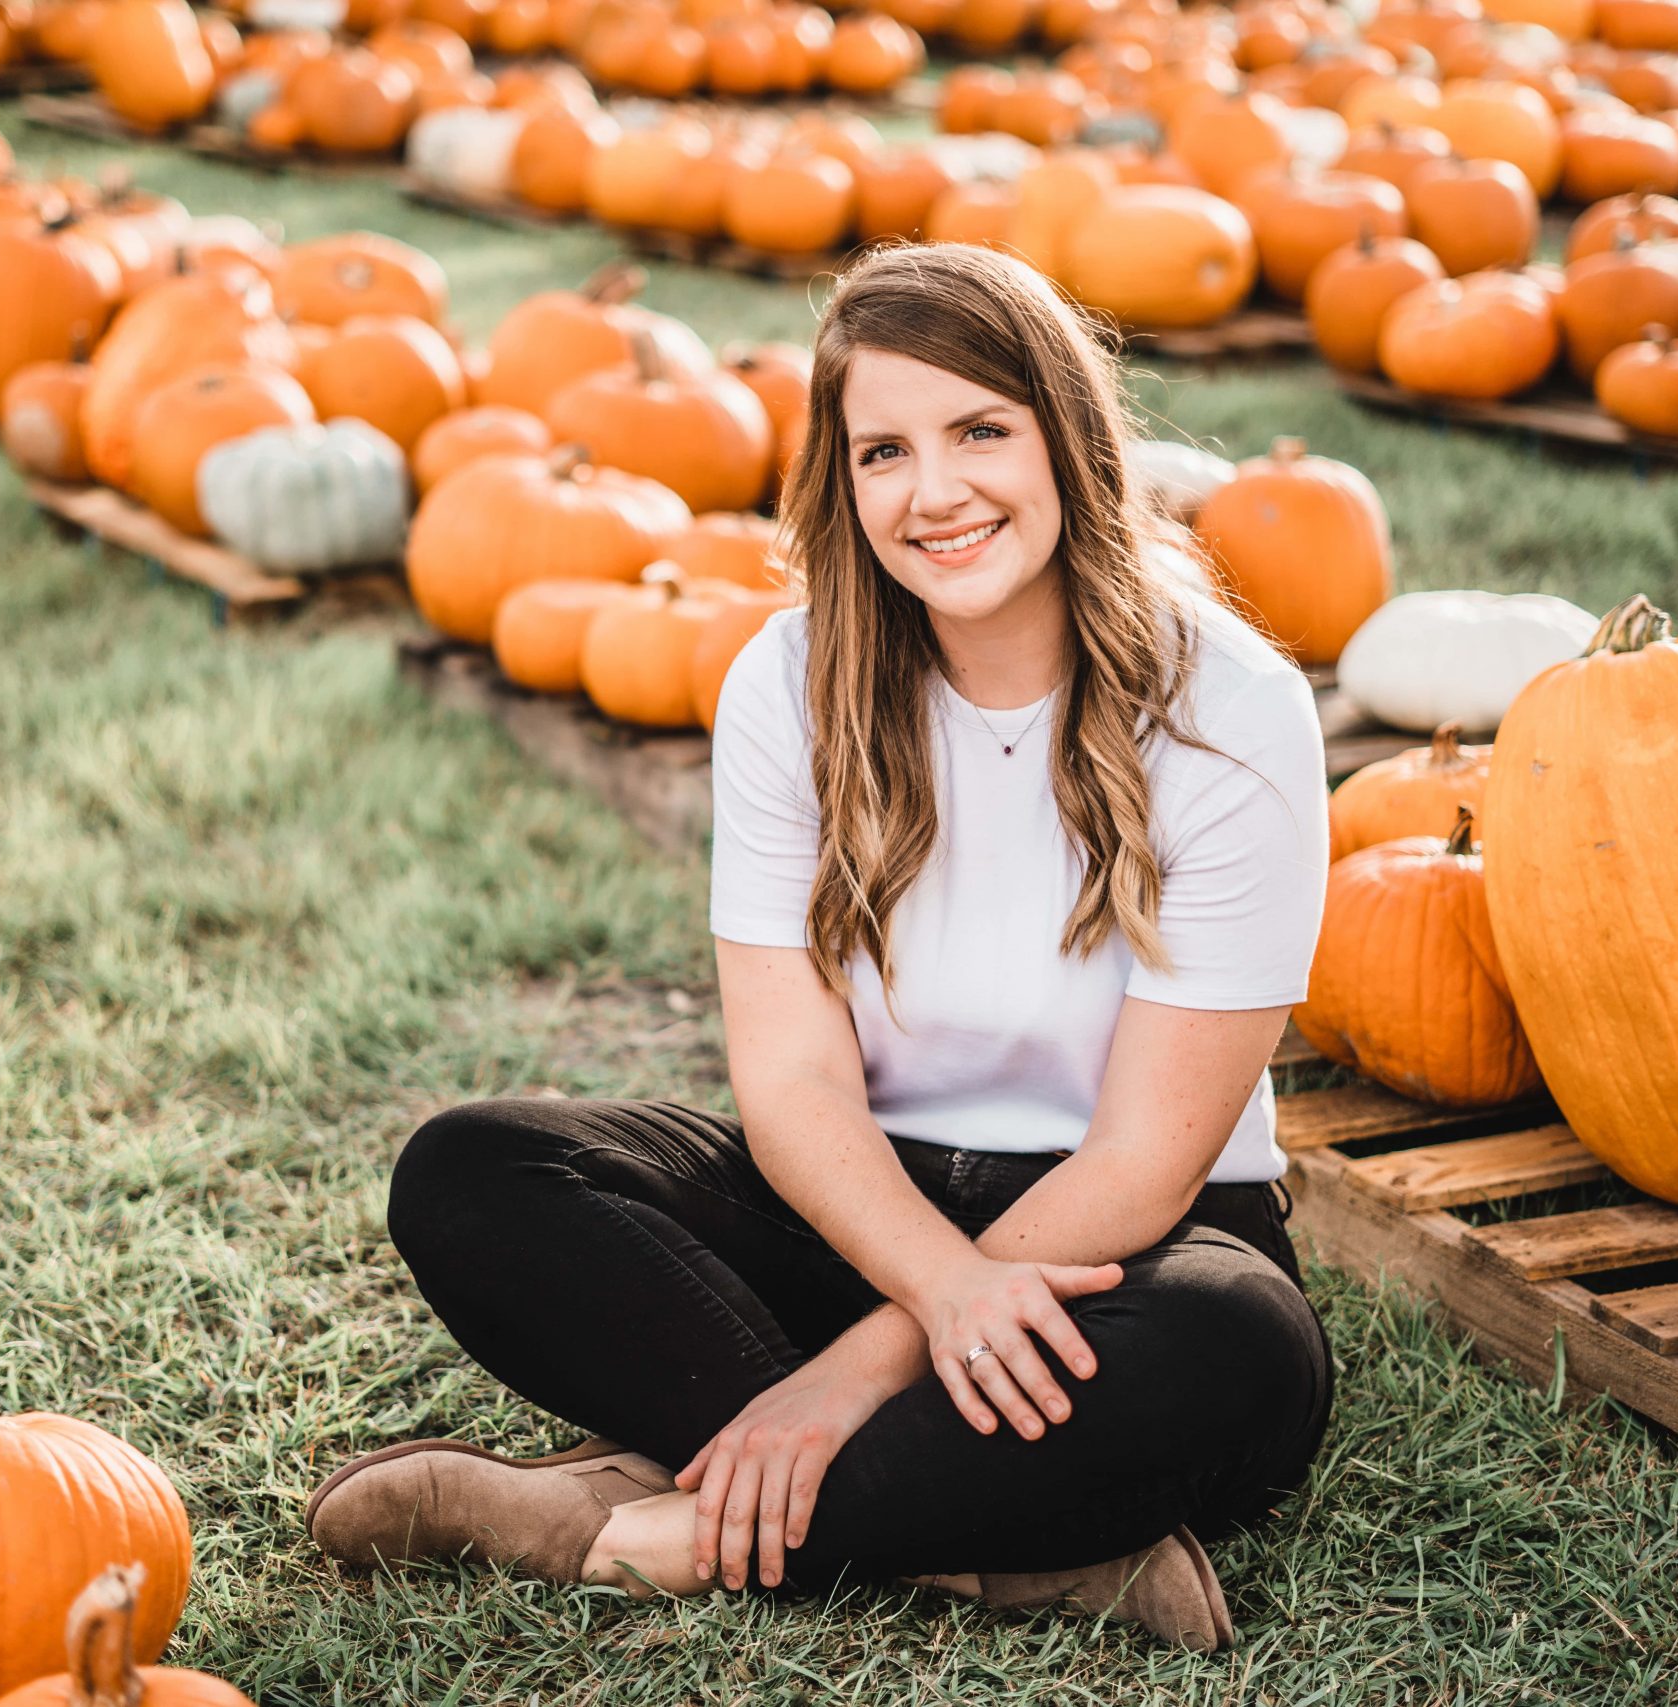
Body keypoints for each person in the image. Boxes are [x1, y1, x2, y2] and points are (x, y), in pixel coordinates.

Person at [305, 242, 1334, 1652]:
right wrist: (921, 1291)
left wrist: (856, 1372)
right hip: (862, 1207)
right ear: (841, 484)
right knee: (477, 1172)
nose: (937, 492)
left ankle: (632, 1525)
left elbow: (1145, 1159)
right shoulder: (787, 686)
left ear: (1069, 440)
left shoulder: (1232, 710)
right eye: (885, 451)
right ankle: (1009, 1549)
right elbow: (791, 1090)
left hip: (1130, 1245)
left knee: (1242, 1357)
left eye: (981, 430)